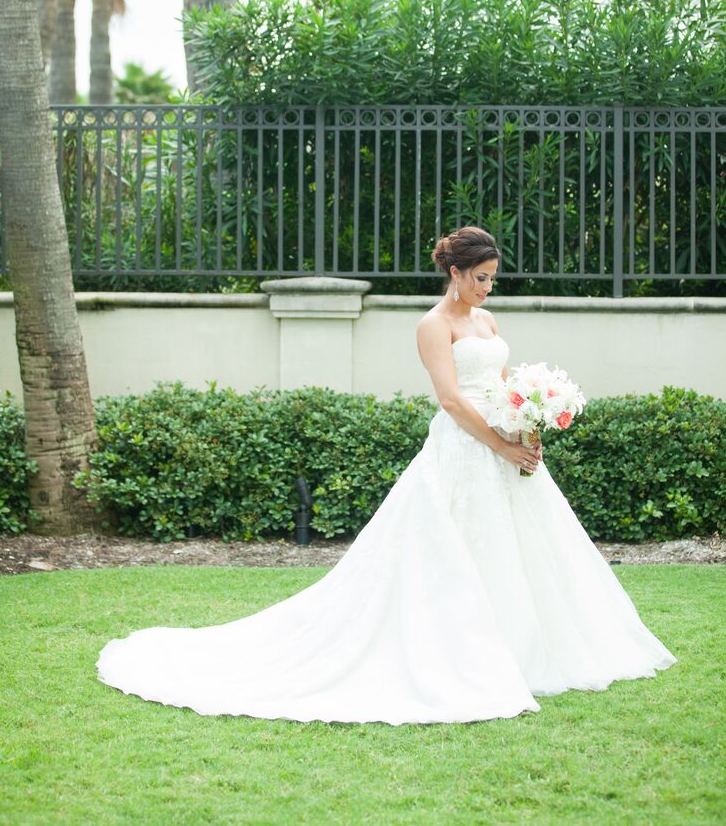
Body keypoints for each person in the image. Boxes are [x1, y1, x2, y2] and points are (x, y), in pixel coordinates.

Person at [97, 226, 676, 724]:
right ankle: (461, 653)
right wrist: (500, 444)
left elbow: (503, 385)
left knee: (526, 549)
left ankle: (528, 651)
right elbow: (450, 399)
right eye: (480, 278)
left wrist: (529, 420)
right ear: (454, 272)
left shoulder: (488, 319)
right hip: (466, 449)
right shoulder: (432, 325)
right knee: (458, 549)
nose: (487, 287)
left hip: (508, 445)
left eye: (493, 278)